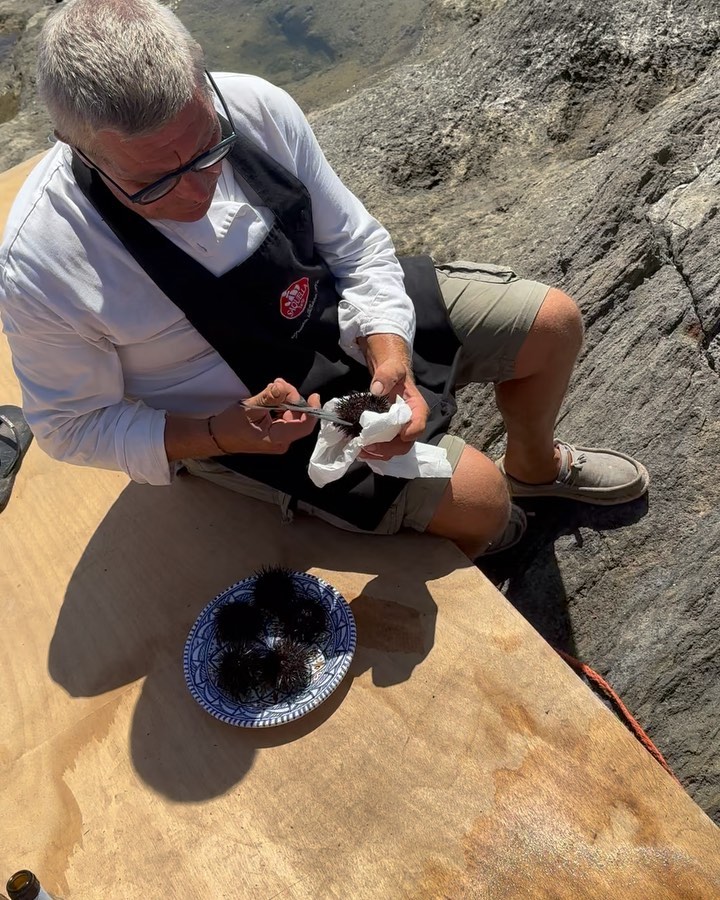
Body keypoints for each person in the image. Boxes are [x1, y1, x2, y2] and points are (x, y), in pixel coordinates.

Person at [0, 0, 648, 559]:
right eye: (154, 184)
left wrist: (388, 350)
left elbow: (357, 247)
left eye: (208, 151)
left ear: (203, 83)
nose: (198, 192)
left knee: (553, 322)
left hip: (332, 313)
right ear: (73, 144)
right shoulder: (43, 262)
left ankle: (535, 467)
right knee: (480, 498)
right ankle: (494, 540)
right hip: (237, 415)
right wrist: (221, 433)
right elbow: (71, 425)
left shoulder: (254, 106)